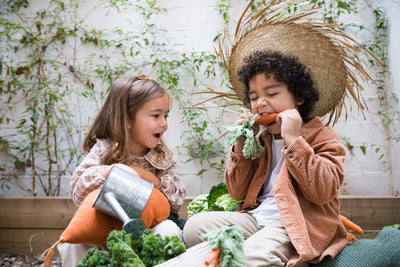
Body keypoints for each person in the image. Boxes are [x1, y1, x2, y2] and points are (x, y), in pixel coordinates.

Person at [183, 1, 376, 266]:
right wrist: (241, 145)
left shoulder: (323, 137)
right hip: (255, 219)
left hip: (295, 224)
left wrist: (295, 140)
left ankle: (276, 252)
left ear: (298, 96)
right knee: (194, 226)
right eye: (253, 97)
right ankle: (253, 246)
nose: (261, 103)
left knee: (251, 256)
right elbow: (238, 192)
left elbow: (323, 191)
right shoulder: (260, 139)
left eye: (272, 93)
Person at [58, 75, 186, 267]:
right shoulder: (104, 150)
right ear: (127, 119)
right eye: (155, 115)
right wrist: (115, 171)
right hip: (109, 228)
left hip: (149, 228)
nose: (164, 123)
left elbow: (175, 201)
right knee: (72, 245)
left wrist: (147, 177)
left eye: (165, 115)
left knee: (170, 231)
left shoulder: (161, 157)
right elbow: (78, 190)